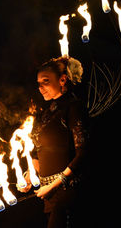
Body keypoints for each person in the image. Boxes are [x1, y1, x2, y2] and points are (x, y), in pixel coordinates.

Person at [19, 56, 90, 228]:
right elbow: (38, 151)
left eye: (45, 81)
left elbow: (84, 154)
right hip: (49, 195)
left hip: (67, 193)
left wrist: (53, 185)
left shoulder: (74, 107)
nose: (40, 87)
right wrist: (31, 176)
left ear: (62, 80)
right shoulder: (46, 112)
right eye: (39, 83)